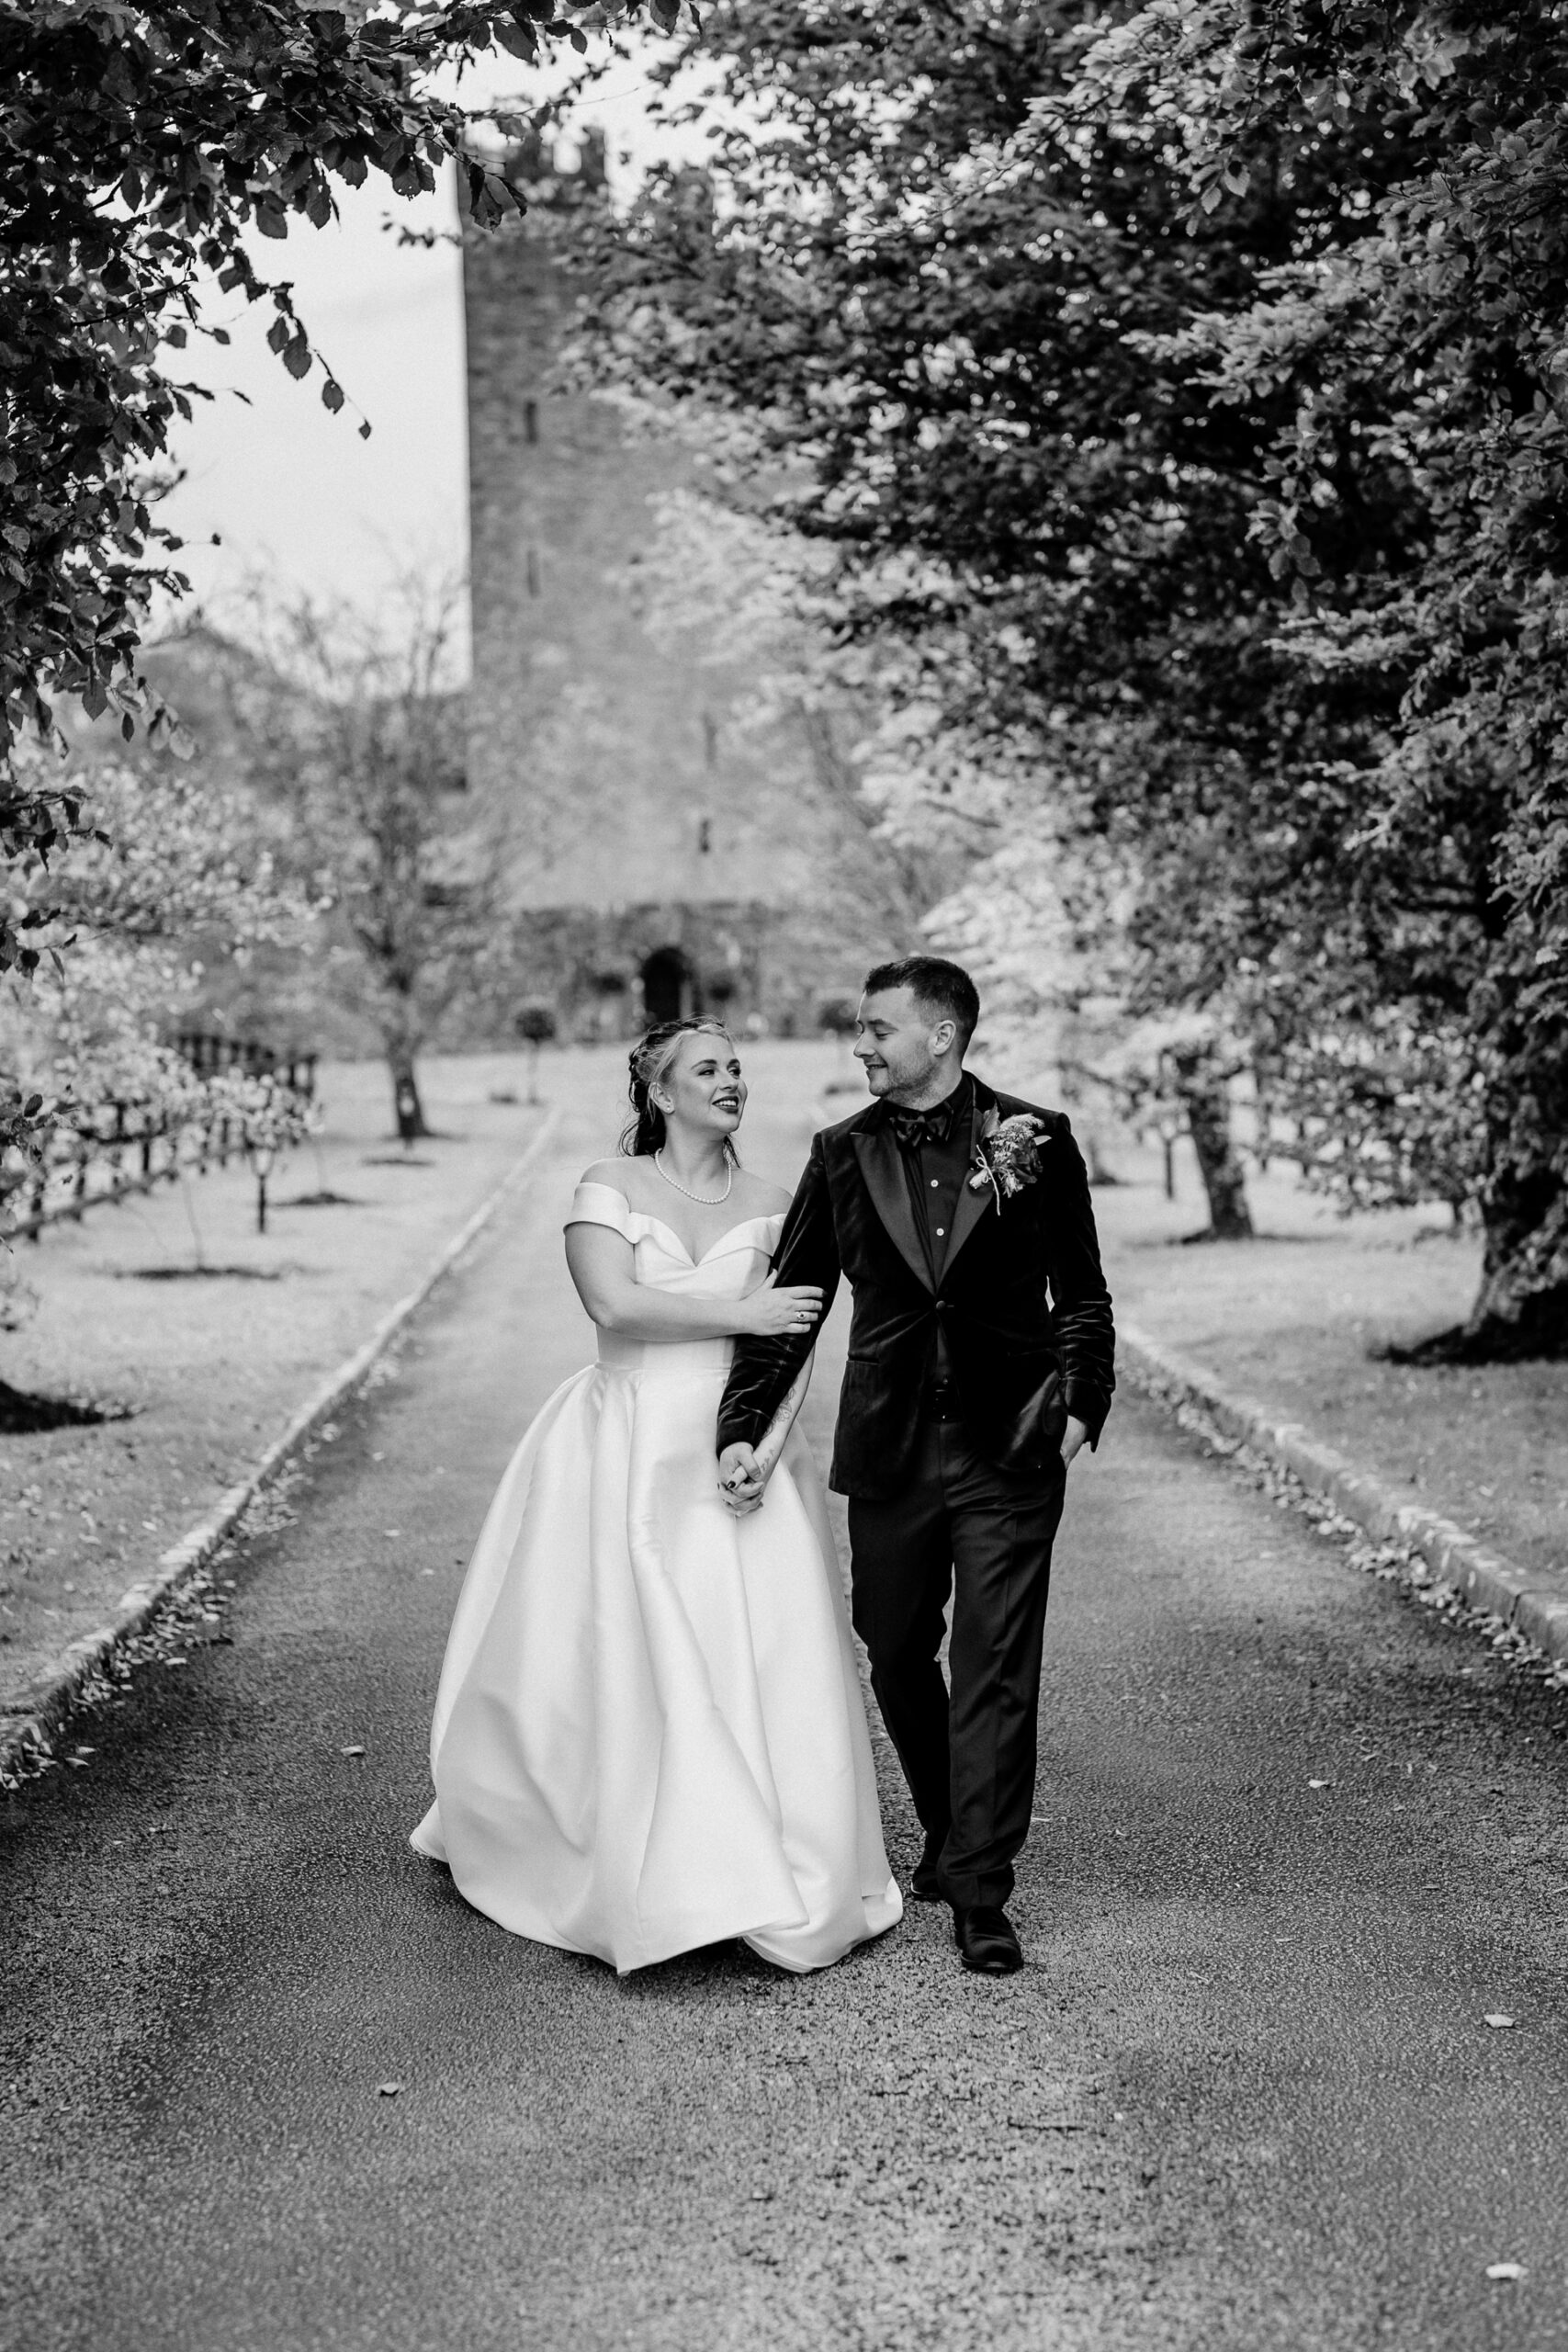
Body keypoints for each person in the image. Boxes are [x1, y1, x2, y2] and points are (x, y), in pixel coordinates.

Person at [411, 1017, 901, 1974]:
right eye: (708, 1068)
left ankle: (765, 1856)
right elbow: (613, 1303)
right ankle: (626, 1853)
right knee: (622, 1648)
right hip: (626, 1443)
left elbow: (791, 1336)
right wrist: (738, 1309)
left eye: (737, 1066)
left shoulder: (778, 1199)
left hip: (736, 1449)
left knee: (758, 1649)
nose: (731, 1080)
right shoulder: (611, 1184)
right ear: (662, 1092)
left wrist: (760, 1440)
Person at [716, 957, 1115, 1976]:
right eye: (860, 1027)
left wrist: (1081, 1400)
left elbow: (1082, 1291)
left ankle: (981, 1891)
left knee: (994, 1667)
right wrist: (742, 1423)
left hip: (1012, 1446)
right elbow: (791, 1302)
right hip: (892, 1446)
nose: (862, 1043)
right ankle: (947, 1826)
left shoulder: (1036, 1138)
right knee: (892, 1645)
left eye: (878, 1027)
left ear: (941, 1035)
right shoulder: (841, 1154)